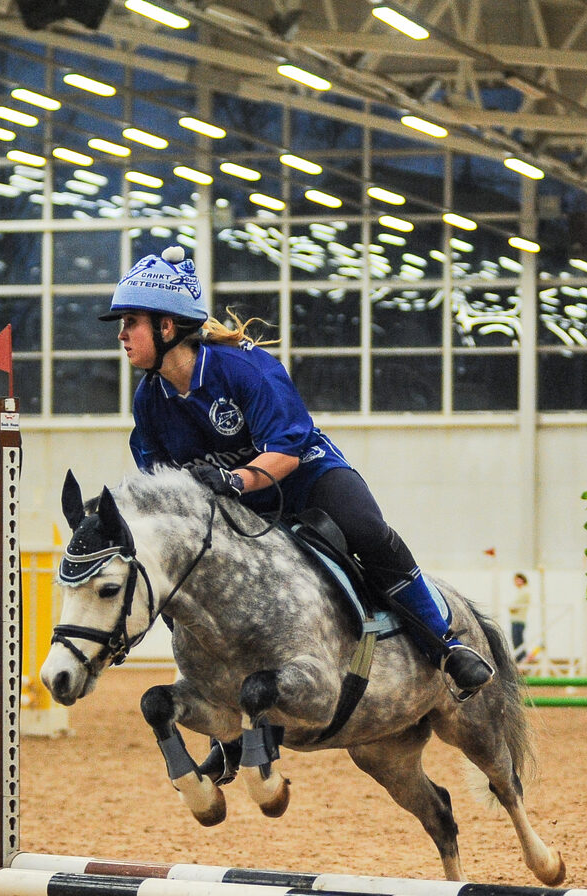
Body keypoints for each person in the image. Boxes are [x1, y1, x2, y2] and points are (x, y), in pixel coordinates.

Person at [106, 247, 494, 698]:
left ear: (166, 325)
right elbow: (163, 485)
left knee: (366, 530)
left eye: (129, 322)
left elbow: (285, 452)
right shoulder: (149, 399)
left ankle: (445, 647)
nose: (122, 335)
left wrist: (232, 480)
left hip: (308, 478)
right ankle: (216, 695)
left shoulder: (248, 369)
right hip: (239, 507)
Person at [508, 572, 531, 662]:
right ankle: (521, 659)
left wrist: (511, 608)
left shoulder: (524, 592)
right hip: (518, 620)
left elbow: (513, 607)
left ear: (522, 580)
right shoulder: (523, 591)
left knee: (518, 643)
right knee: (518, 642)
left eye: (517, 580)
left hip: (518, 620)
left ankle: (521, 660)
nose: (515, 582)